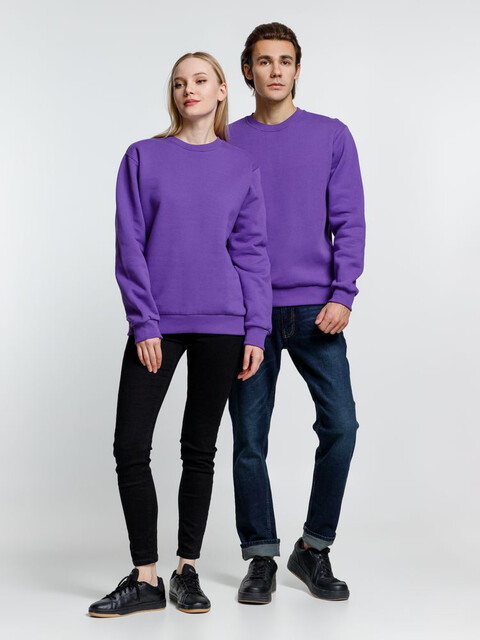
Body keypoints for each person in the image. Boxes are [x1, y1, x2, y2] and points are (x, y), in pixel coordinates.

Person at [88, 51, 272, 617]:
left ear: (222, 90)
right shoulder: (143, 157)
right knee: (130, 445)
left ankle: (186, 570)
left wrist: (257, 329)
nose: (188, 89)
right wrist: (144, 321)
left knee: (200, 449)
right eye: (178, 82)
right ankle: (145, 577)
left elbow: (252, 252)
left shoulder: (241, 166)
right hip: (159, 323)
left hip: (224, 322)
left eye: (200, 80)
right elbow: (130, 243)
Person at [227, 22, 366, 604]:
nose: (276, 70)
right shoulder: (227, 139)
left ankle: (313, 548)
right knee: (248, 438)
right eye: (265, 61)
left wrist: (343, 293)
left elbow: (349, 220)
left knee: (341, 426)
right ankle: (260, 556)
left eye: (285, 60)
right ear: (248, 71)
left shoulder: (331, 135)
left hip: (316, 308)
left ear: (298, 69)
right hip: (248, 312)